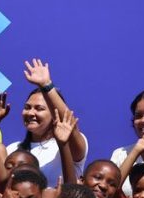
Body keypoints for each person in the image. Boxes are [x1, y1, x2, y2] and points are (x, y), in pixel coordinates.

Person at [5, 59, 89, 187]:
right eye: (27, 107)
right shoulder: (13, 149)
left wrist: (46, 85)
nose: (31, 113)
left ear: (54, 114)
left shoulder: (66, 145)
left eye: (39, 109)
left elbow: (69, 123)